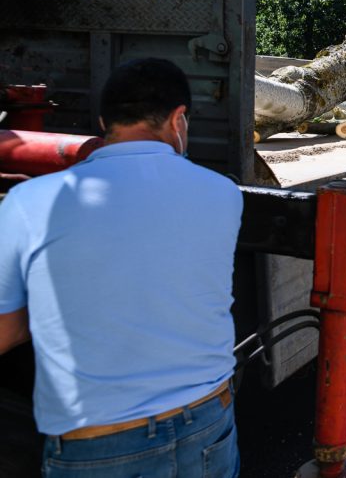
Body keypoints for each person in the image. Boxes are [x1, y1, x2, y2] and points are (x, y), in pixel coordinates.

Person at [0, 58, 243, 477]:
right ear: (178, 119)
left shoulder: (29, 202)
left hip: (98, 444)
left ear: (102, 122)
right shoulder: (224, 194)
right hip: (207, 424)